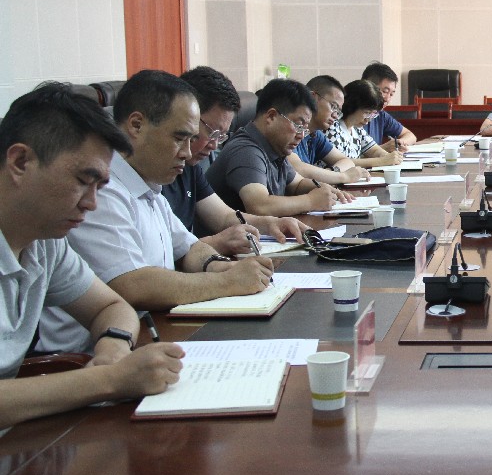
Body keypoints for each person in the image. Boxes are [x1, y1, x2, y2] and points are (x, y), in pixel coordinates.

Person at [36, 71, 276, 354]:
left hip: (145, 336)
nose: (188, 153)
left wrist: (220, 265)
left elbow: (188, 248)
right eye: (179, 138)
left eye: (191, 140)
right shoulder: (102, 190)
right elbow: (133, 286)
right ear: (136, 125)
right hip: (81, 357)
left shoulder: (149, 185)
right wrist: (226, 281)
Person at [0, 82, 184, 428]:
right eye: (84, 181)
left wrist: (113, 348)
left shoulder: (45, 242)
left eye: (100, 187)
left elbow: (110, 306)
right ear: (21, 161)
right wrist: (109, 379)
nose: (92, 204)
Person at [163, 66, 306, 255]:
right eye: (212, 132)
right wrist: (215, 243)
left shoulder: (190, 167)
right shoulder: (155, 173)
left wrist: (271, 223)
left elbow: (224, 217)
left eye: (221, 136)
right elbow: (159, 254)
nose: (214, 145)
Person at [206, 79, 343, 216]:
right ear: (271, 116)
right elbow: (260, 206)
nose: (301, 135)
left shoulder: (275, 147)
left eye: (304, 129)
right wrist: (311, 201)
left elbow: (297, 184)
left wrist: (325, 190)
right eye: (298, 125)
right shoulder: (246, 150)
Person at [288, 74, 373, 187]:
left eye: (338, 111)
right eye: (333, 106)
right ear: (313, 98)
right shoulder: (290, 129)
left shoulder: (316, 134)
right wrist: (343, 176)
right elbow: (297, 168)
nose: (335, 115)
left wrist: (332, 172)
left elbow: (347, 161)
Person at [325, 79, 405, 168]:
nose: (369, 119)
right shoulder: (332, 127)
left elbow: (374, 150)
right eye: (367, 113)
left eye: (373, 114)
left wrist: (388, 156)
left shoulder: (356, 128)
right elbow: (341, 162)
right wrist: (382, 161)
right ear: (352, 106)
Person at [360, 62, 417, 151]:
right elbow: (348, 155)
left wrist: (398, 143)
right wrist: (383, 148)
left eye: (391, 94)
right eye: (385, 92)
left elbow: (411, 136)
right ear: (368, 87)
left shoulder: (380, 115)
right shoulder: (350, 115)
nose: (387, 99)